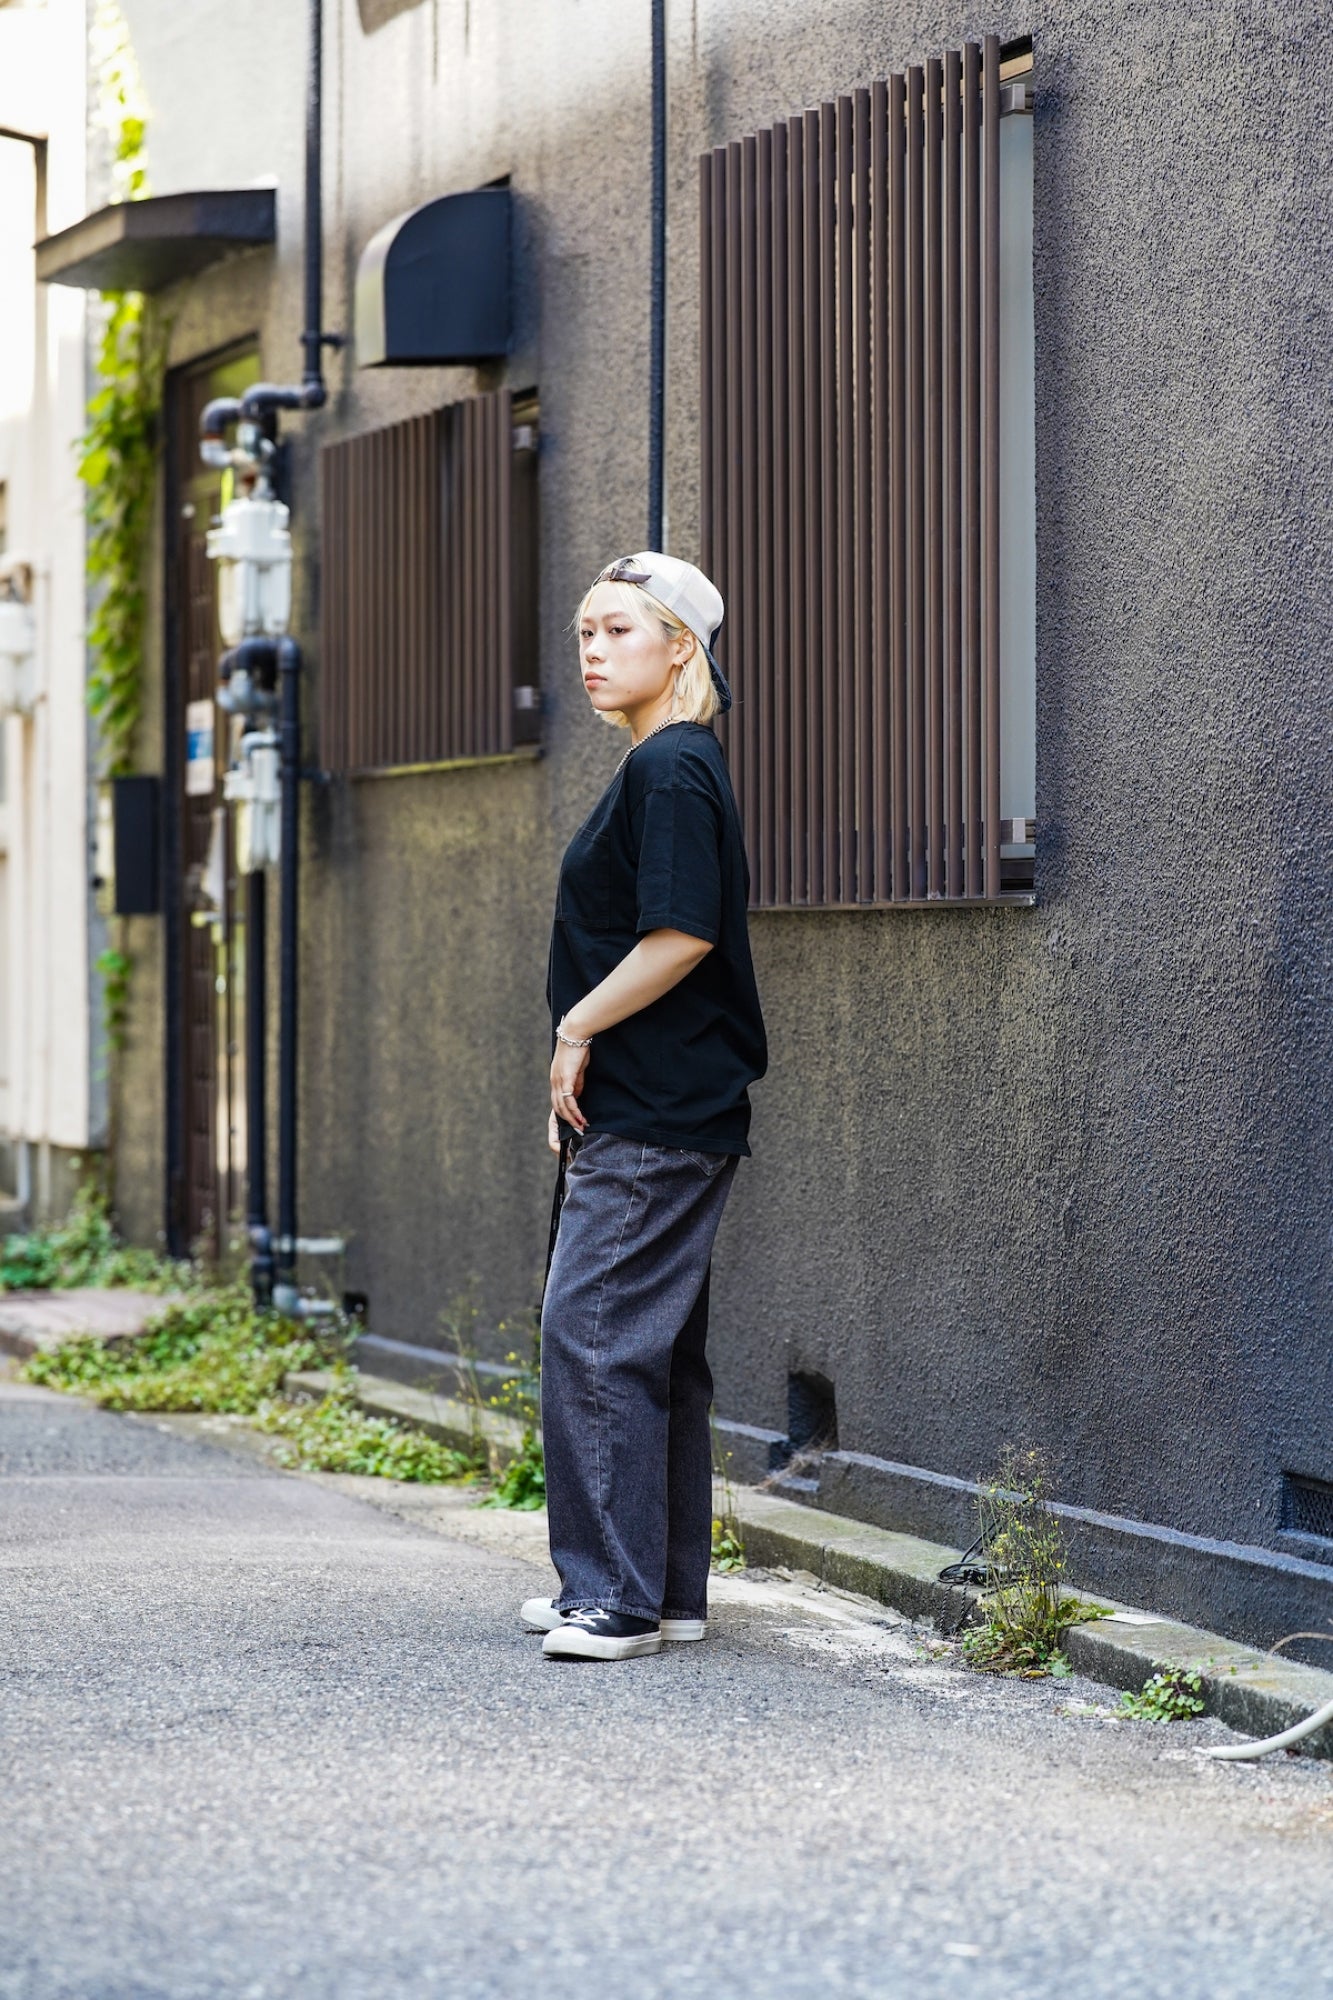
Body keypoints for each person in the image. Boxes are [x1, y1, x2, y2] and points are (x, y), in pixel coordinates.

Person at [521, 552, 768, 1662]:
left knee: (594, 1334)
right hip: (660, 1105)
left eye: (617, 629)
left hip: (654, 1109)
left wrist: (575, 1031)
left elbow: (680, 935)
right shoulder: (669, 763)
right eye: (585, 630)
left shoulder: (669, 767)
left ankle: (613, 1598)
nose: (591, 648)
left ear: (680, 648)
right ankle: (660, 1591)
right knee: (650, 1350)